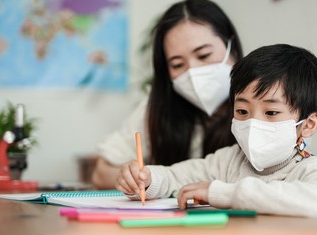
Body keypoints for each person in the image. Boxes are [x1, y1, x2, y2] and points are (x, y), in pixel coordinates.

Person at [115, 44, 317, 225]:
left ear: (309, 124)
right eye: (242, 111)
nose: (252, 122)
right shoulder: (228, 161)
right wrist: (145, 179)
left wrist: (223, 193)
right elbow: (175, 177)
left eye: (271, 112)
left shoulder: (313, 170)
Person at [92, 0, 243, 188]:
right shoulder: (158, 109)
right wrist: (131, 178)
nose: (193, 72)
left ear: (232, 47)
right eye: (177, 65)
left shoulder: (264, 100)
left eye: (204, 55)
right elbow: (101, 173)